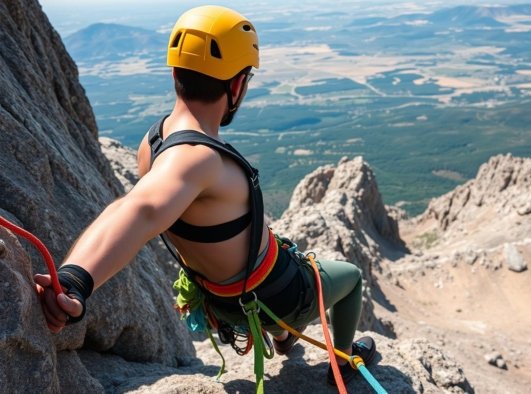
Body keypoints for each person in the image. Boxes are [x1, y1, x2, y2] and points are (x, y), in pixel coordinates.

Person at [34, 5, 375, 385]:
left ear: (176, 72)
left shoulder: (153, 142)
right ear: (237, 85)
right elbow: (141, 209)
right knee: (352, 277)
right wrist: (75, 280)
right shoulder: (197, 160)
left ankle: (282, 337)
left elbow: (143, 204)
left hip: (221, 301)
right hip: (276, 294)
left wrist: (72, 274)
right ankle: (342, 363)